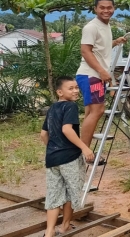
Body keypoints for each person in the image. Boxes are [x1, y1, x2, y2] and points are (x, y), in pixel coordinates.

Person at [41, 76, 95, 237]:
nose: (75, 91)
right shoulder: (70, 106)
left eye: (76, 87)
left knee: (54, 194)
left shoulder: (52, 108)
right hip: (70, 158)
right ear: (60, 92)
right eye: (70, 88)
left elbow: (43, 134)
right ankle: (64, 226)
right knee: (71, 192)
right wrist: (85, 148)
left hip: (52, 159)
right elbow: (67, 129)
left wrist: (53, 149)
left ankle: (49, 232)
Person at [76, 0, 127, 162]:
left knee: (91, 112)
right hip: (91, 75)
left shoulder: (106, 26)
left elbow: (100, 48)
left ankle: (83, 152)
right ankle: (84, 153)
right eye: (102, 8)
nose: (106, 10)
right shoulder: (91, 27)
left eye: (109, 7)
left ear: (114, 8)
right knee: (97, 111)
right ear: (95, 9)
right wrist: (102, 72)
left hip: (94, 75)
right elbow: (86, 51)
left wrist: (115, 42)